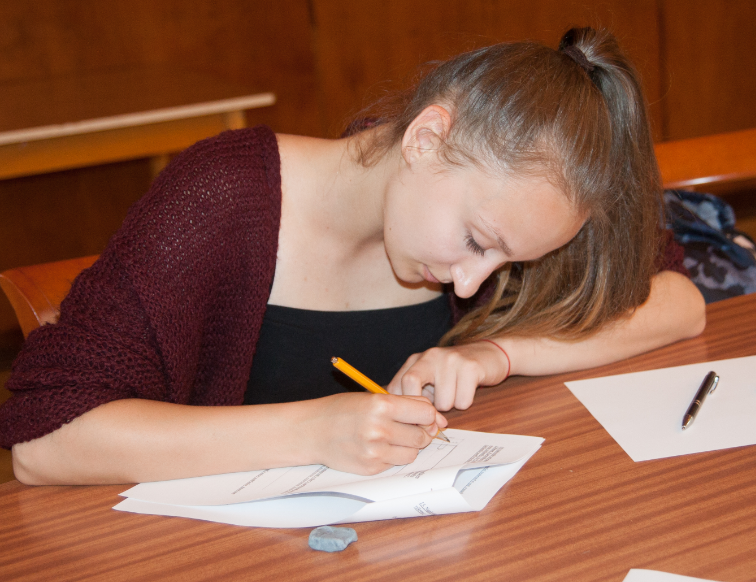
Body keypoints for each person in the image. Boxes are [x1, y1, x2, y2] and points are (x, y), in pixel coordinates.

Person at [1, 27, 704, 485]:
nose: (472, 282)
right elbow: (45, 442)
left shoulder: (498, 208)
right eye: (475, 242)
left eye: (507, 264)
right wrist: (313, 430)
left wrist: (498, 354)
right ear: (426, 139)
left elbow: (680, 302)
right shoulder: (223, 197)